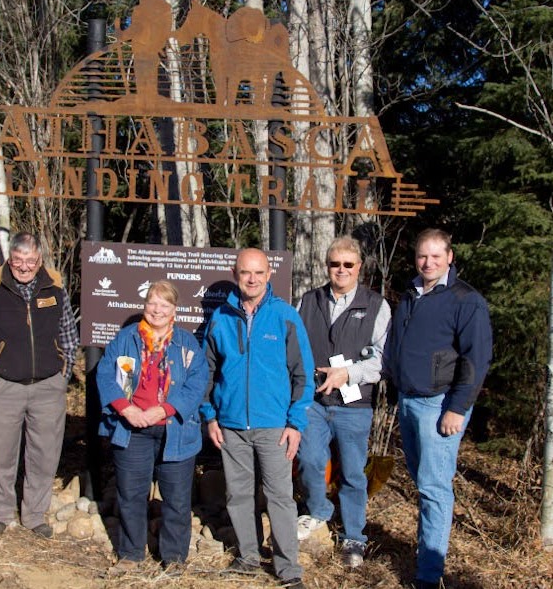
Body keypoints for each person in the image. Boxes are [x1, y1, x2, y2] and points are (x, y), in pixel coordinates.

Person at [384, 229, 492, 589]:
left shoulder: (465, 300)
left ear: (450, 257)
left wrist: (457, 408)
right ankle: (425, 552)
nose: (427, 263)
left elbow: (476, 358)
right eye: (421, 256)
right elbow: (396, 346)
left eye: (435, 256)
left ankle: (429, 575)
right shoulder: (411, 295)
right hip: (409, 401)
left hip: (440, 404)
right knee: (423, 481)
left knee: (434, 487)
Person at [201, 248, 314, 589]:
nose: (252, 279)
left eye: (258, 273)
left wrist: (296, 423)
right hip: (232, 425)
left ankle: (287, 568)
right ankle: (248, 556)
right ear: (236, 274)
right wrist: (210, 416)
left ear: (269, 276)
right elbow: (207, 371)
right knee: (238, 494)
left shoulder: (285, 316)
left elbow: (303, 373)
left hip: (274, 426)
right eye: (245, 273)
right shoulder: (221, 317)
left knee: (280, 496)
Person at [97, 280, 209, 574]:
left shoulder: (186, 344)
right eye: (152, 303)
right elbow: (107, 377)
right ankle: (131, 554)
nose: (156, 310)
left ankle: (173, 558)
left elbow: (197, 383)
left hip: (176, 430)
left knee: (176, 498)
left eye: (164, 305)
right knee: (131, 495)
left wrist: (164, 409)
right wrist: (127, 409)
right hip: (132, 429)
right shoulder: (126, 339)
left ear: (174, 310)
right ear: (144, 305)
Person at [0, 232, 79, 539]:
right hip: (2, 384)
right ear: (10, 258)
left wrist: (64, 369)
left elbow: (67, 330)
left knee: (44, 453)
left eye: (30, 261)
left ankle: (34, 514)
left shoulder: (54, 283)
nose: (24, 267)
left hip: (48, 385)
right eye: (18, 260)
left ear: (40, 260)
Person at [295, 236, 391, 567]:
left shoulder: (377, 305)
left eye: (348, 264)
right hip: (314, 403)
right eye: (335, 264)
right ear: (327, 267)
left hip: (355, 406)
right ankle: (319, 510)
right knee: (309, 460)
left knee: (353, 473)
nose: (341, 270)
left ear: (359, 268)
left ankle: (354, 537)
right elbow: (294, 350)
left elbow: (382, 360)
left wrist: (347, 374)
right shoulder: (308, 301)